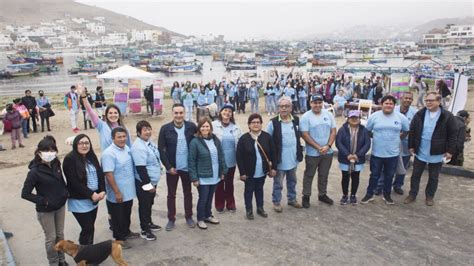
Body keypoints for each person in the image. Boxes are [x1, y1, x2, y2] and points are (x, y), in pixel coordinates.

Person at [21, 136, 68, 266]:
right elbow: (25, 194)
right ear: (39, 152)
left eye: (53, 150)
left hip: (60, 206)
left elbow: (61, 181)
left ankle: (62, 260)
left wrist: (65, 193)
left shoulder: (56, 163)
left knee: (60, 235)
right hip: (45, 210)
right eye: (46, 150)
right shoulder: (34, 172)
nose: (50, 153)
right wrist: (44, 201)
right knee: (51, 238)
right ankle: (53, 263)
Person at [405, 92, 457, 206]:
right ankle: (412, 194)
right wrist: (411, 146)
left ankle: (429, 196)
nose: (428, 102)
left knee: (433, 177)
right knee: (415, 175)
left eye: (431, 100)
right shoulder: (420, 114)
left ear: (438, 101)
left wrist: (450, 151)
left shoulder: (447, 116)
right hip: (421, 150)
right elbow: (412, 130)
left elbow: (453, 134)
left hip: (437, 151)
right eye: (427, 100)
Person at [360, 95, 410, 205]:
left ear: (394, 105)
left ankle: (387, 195)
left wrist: (398, 138)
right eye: (386, 103)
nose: (388, 105)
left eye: (391, 103)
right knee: (374, 175)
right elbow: (368, 131)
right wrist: (377, 137)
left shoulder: (401, 117)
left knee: (389, 175)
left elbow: (406, 131)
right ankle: (369, 195)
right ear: (382, 104)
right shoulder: (374, 116)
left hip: (393, 154)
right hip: (377, 153)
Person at [158, 103, 197, 231]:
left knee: (188, 193)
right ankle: (171, 218)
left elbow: (198, 143)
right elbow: (161, 150)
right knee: (171, 194)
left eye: (181, 113)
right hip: (172, 169)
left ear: (184, 113)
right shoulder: (165, 129)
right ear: (172, 113)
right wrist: (168, 167)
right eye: (176, 113)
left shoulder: (191, 127)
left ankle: (189, 216)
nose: (179, 115)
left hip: (187, 167)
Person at [63, 134, 105, 245]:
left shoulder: (91, 156)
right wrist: (91, 194)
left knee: (91, 227)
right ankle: (83, 253)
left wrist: (102, 190)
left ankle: (88, 249)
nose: (84, 146)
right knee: (87, 228)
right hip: (79, 200)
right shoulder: (70, 159)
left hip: (94, 199)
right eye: (81, 143)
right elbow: (73, 182)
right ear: (76, 145)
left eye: (87, 143)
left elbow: (100, 174)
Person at [101, 127, 138, 249]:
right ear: (113, 138)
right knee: (118, 217)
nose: (122, 139)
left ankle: (126, 232)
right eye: (119, 137)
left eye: (124, 136)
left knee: (126, 213)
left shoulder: (127, 148)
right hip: (117, 193)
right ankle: (119, 240)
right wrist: (117, 192)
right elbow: (108, 174)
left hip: (128, 191)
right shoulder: (108, 153)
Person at [374, 91, 417, 195]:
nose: (408, 100)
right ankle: (380, 186)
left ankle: (398, 185)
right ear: (401, 99)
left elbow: (414, 129)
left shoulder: (415, 113)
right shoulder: (392, 109)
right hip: (389, 145)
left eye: (410, 98)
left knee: (402, 167)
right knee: (385, 167)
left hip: (406, 145)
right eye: (406, 98)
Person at [188, 118, 227, 229]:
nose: (205, 128)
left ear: (210, 127)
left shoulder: (215, 139)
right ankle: (200, 218)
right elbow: (191, 161)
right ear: (199, 128)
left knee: (210, 197)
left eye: (207, 126)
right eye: (203, 126)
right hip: (203, 176)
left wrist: (223, 171)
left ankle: (208, 215)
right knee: (203, 198)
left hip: (214, 174)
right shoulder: (195, 142)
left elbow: (221, 155)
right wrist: (194, 178)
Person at [236, 113, 277, 220]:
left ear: (261, 124)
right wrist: (242, 173)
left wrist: (273, 168)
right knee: (249, 191)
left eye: (258, 122)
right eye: (253, 122)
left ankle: (260, 208)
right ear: (249, 125)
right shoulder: (243, 139)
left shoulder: (267, 137)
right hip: (249, 172)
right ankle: (249, 210)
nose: (256, 124)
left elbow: (273, 153)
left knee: (259, 189)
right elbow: (239, 157)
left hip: (262, 171)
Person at [267, 96, 304, 212]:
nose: (284, 108)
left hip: (293, 159)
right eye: (281, 106)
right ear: (278, 108)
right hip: (279, 160)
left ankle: (292, 199)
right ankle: (276, 202)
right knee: (278, 183)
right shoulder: (273, 123)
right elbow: (267, 141)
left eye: (286, 106)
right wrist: (269, 160)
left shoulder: (296, 120)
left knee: (292, 181)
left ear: (291, 108)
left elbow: (300, 136)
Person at [300, 94, 337, 208]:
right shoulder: (306, 117)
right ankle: (306, 196)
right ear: (310, 103)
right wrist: (318, 147)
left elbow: (333, 131)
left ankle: (322, 194)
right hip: (312, 153)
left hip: (327, 152)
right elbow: (304, 134)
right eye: (315, 102)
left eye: (319, 102)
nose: (317, 105)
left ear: (322, 103)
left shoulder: (329, 114)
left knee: (323, 174)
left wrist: (328, 146)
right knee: (309, 175)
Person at [131, 121, 162, 241]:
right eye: (145, 130)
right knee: (144, 205)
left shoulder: (148, 142)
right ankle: (145, 229)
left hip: (152, 180)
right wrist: (148, 185)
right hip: (144, 182)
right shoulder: (138, 147)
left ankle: (149, 223)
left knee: (149, 204)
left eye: (149, 129)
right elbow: (141, 168)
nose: (148, 132)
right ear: (139, 132)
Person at [335, 110, 371, 205]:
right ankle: (345, 195)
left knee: (356, 177)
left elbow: (367, 144)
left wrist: (357, 155)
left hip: (358, 159)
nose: (354, 119)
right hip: (345, 158)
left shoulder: (364, 130)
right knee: (345, 177)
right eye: (352, 117)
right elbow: (338, 142)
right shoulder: (342, 129)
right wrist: (347, 154)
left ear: (360, 119)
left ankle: (353, 195)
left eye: (356, 117)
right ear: (348, 119)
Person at [212, 103, 242, 213]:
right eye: (225, 110)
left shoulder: (236, 127)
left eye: (229, 111)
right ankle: (219, 204)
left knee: (229, 183)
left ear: (231, 114)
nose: (227, 113)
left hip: (231, 161)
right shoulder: (213, 125)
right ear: (220, 112)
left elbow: (241, 142)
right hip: (217, 161)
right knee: (219, 183)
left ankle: (230, 203)